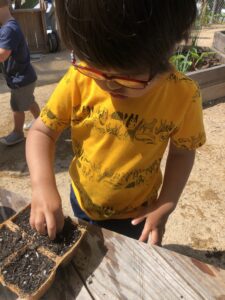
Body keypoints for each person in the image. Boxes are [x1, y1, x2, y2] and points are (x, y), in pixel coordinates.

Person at [26, 0, 206, 245]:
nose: (110, 85)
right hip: (83, 201)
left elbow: (182, 152)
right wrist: (42, 186)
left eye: (128, 77)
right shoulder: (80, 77)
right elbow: (42, 131)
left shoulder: (183, 95)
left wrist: (166, 204)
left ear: (169, 49)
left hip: (137, 214)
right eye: (97, 70)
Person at [0, 0, 40, 146]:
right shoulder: (8, 26)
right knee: (29, 101)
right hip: (25, 76)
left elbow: (3, 54)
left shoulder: (8, 29)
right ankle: (40, 120)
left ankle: (17, 133)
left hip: (21, 79)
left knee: (17, 107)